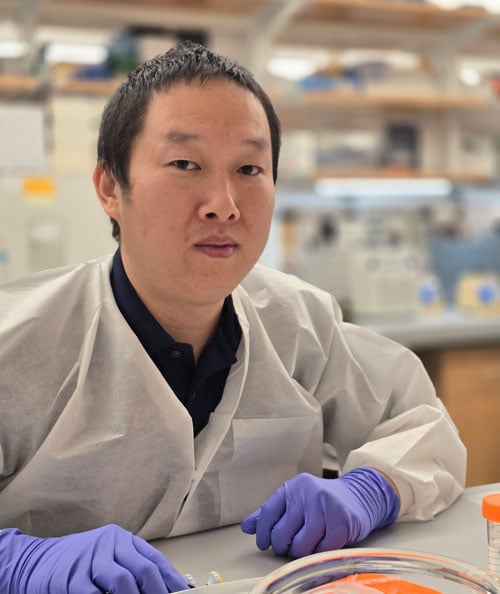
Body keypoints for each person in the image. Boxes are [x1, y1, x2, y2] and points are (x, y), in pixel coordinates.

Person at [0, 40, 466, 594]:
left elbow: (421, 426)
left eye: (249, 168)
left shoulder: (300, 323)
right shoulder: (18, 342)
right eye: (185, 164)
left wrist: (369, 489)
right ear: (110, 188)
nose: (223, 204)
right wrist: (17, 561)